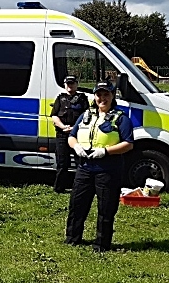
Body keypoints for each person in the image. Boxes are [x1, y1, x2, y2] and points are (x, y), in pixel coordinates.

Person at [65, 80, 134, 252]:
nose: (102, 98)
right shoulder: (86, 115)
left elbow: (128, 144)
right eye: (99, 95)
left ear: (112, 96)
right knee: (77, 205)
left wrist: (106, 152)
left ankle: (102, 244)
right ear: (94, 96)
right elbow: (72, 136)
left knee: (106, 208)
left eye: (106, 95)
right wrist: (76, 146)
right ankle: (72, 238)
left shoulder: (121, 118)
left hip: (107, 170)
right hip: (85, 168)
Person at [50, 75, 90, 193]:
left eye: (72, 83)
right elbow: (54, 116)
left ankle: (80, 188)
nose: (70, 86)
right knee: (62, 163)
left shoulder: (82, 99)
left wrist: (74, 128)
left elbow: (86, 116)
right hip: (62, 135)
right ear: (64, 85)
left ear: (77, 84)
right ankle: (59, 188)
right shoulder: (60, 98)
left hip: (77, 135)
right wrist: (63, 127)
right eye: (68, 83)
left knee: (80, 163)